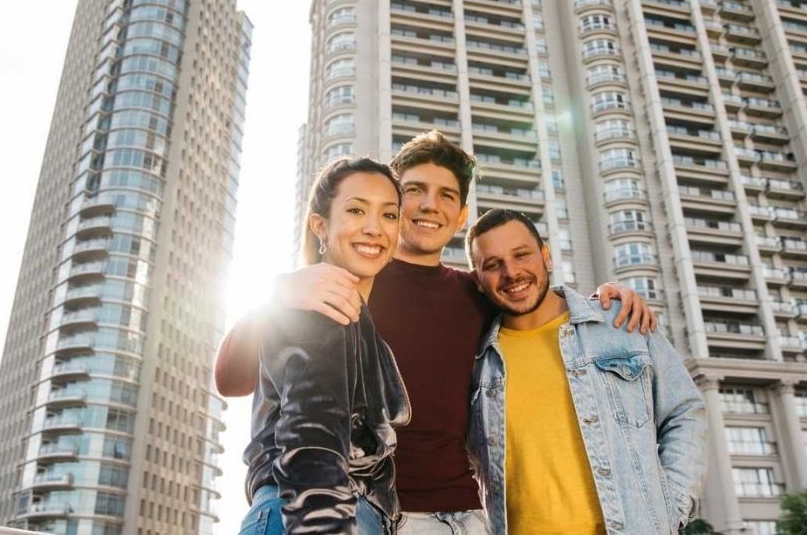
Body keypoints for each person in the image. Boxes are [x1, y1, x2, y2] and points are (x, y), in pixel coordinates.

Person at [220, 131, 660, 534]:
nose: (430, 205)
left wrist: (607, 299)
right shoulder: (340, 276)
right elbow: (232, 379)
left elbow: (537, 299)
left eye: (446, 195)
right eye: (414, 191)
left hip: (458, 513)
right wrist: (278, 293)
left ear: (462, 215)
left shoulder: (477, 293)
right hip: (350, 506)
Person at [466, 208, 707, 535]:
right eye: (493, 265)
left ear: (546, 256)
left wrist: (673, 503)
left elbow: (684, 412)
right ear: (478, 280)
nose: (512, 272)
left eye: (522, 255)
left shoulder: (621, 323)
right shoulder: (475, 359)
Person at [240, 157, 410, 534]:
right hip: (320, 514)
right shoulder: (325, 303)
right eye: (355, 210)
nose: (373, 228)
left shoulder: (345, 310)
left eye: (389, 215)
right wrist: (323, 523)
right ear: (320, 225)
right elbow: (311, 442)